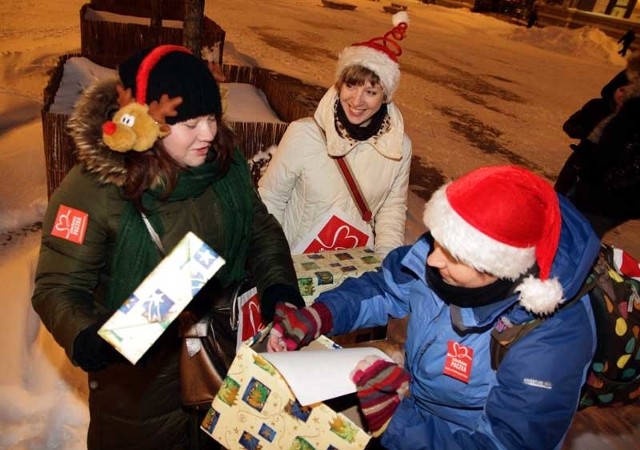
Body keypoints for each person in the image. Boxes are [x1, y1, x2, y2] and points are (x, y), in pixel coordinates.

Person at [31, 44, 304, 450]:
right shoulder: (96, 190)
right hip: (136, 387)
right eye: (190, 122)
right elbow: (57, 286)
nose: (209, 133)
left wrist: (278, 289)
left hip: (219, 350)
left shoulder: (223, 162)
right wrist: (87, 335)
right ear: (146, 125)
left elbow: (259, 228)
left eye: (212, 117)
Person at [268, 165, 601, 450]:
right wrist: (321, 314)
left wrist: (397, 423)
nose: (432, 258)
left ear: (499, 267)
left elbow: (506, 443)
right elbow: (384, 288)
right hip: (412, 406)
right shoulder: (449, 250)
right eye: (437, 240)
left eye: (453, 256)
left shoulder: (553, 338)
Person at [258, 12, 412, 257]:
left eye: (370, 92)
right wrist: (275, 263)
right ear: (339, 84)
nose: (356, 100)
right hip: (295, 265)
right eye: (350, 86)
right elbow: (270, 200)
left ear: (385, 97)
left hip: (354, 271)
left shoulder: (398, 147)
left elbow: (392, 210)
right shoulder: (304, 134)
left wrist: (383, 268)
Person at [560, 53, 640, 237]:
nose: (626, 91)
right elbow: (573, 126)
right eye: (623, 86)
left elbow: (621, 159)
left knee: (576, 233)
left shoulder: (631, 112)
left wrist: (602, 180)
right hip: (584, 179)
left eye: (633, 84)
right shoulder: (605, 108)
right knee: (566, 217)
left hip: (604, 196)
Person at [554, 69, 629, 196]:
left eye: (631, 93)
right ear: (614, 89)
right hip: (579, 165)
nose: (625, 96)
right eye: (622, 90)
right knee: (562, 199)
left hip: (605, 175)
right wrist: (589, 133)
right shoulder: (597, 106)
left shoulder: (632, 118)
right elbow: (570, 125)